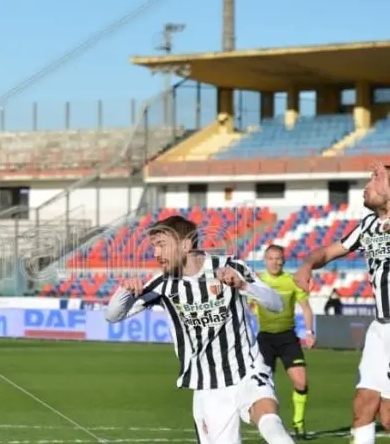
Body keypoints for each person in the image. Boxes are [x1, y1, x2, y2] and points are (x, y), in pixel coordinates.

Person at [106, 215, 293, 444]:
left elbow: (276, 303)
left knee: (271, 423)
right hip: (208, 388)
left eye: (162, 245)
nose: (156, 254)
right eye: (154, 246)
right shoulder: (162, 285)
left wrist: (243, 285)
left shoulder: (231, 267)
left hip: (248, 370)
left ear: (185, 245)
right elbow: (112, 315)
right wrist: (124, 291)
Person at [293, 165, 390, 444]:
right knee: (364, 407)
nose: (367, 185)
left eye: (376, 178)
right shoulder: (368, 226)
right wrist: (307, 265)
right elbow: (327, 251)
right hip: (379, 328)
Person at [252, 244, 313, 439]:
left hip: (288, 338)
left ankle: (298, 422)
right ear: (265, 260)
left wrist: (309, 332)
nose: (275, 262)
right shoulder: (258, 281)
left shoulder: (292, 281)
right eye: (271, 258)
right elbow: (244, 307)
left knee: (301, 382)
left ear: (284, 260)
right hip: (265, 339)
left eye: (279, 258)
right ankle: (271, 427)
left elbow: (306, 308)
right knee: (263, 388)